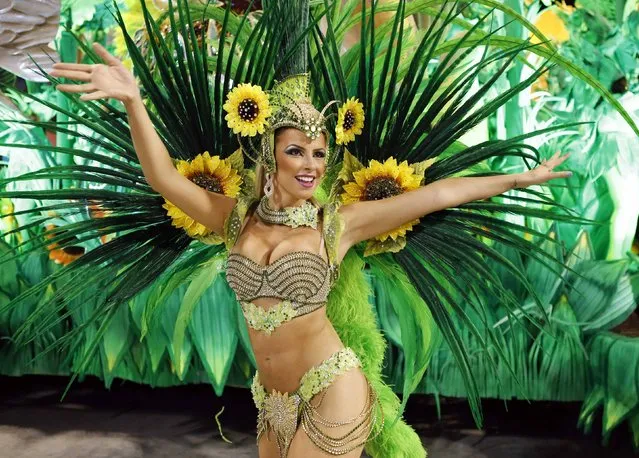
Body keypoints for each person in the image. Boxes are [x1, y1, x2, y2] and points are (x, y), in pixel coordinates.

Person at [49, 35, 571, 457]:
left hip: (333, 385)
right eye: (295, 150)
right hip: (272, 397)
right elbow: (163, 178)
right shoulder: (235, 221)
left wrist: (514, 180)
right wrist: (134, 101)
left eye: (319, 153)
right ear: (267, 156)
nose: (310, 164)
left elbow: (437, 194)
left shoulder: (336, 226)